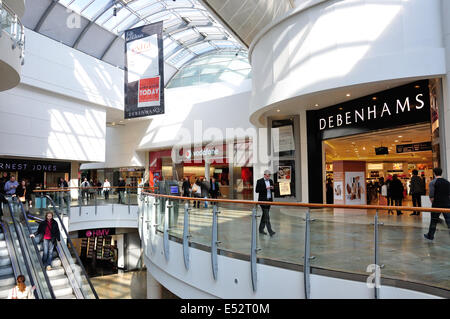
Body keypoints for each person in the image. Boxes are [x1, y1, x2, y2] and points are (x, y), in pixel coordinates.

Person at [424, 167, 450, 241]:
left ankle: (430, 235)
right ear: (441, 173)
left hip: (437, 204)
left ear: (434, 173)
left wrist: (434, 202)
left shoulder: (433, 182)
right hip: (447, 203)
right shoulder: (447, 182)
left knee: (434, 220)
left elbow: (431, 195)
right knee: (449, 220)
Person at [255, 170, 276, 237]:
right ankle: (270, 231)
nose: (268, 177)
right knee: (267, 216)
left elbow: (273, 190)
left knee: (265, 215)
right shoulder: (259, 181)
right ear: (264, 175)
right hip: (262, 201)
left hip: (269, 200)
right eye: (267, 176)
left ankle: (261, 229)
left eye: (269, 176)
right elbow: (257, 190)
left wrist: (273, 188)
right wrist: (265, 188)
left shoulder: (271, 181)